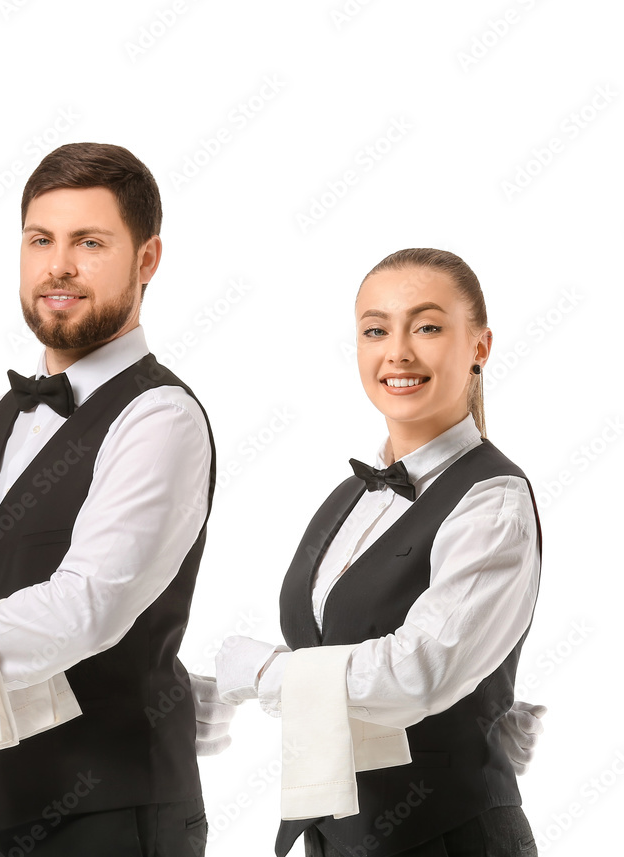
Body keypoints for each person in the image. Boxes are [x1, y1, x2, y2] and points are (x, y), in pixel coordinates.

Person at [0, 142, 232, 856]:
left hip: (113, 819)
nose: (58, 265)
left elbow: (88, 607)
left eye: (89, 242)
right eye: (40, 239)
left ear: (147, 260)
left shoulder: (160, 417)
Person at [216, 248, 544, 857]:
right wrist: (221, 690)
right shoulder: (351, 496)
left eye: (426, 327)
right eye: (375, 330)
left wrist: (261, 673)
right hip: (339, 835)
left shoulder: (493, 501)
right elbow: (338, 656)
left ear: (480, 346)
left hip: (450, 838)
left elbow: (417, 672)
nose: (397, 351)